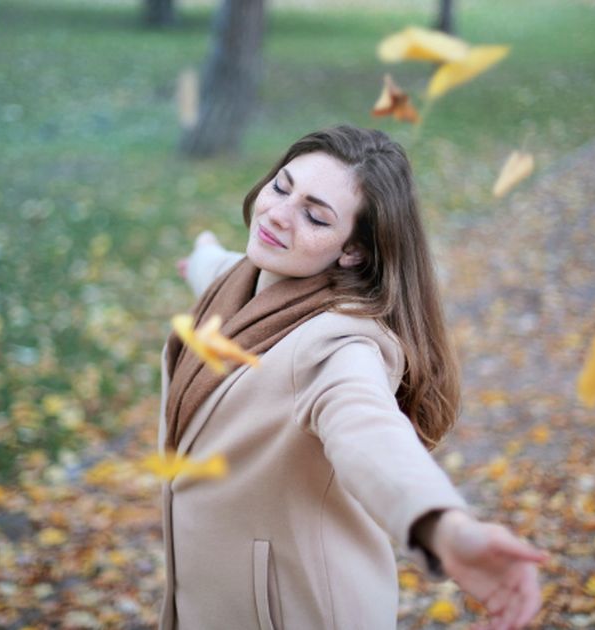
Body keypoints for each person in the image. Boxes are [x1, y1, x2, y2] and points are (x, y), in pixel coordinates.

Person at [160, 125, 547, 630]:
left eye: (315, 216)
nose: (277, 214)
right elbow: (218, 269)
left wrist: (443, 526)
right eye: (281, 187)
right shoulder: (238, 280)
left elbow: (369, 432)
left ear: (353, 252)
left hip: (300, 612)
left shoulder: (339, 344)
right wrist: (201, 255)